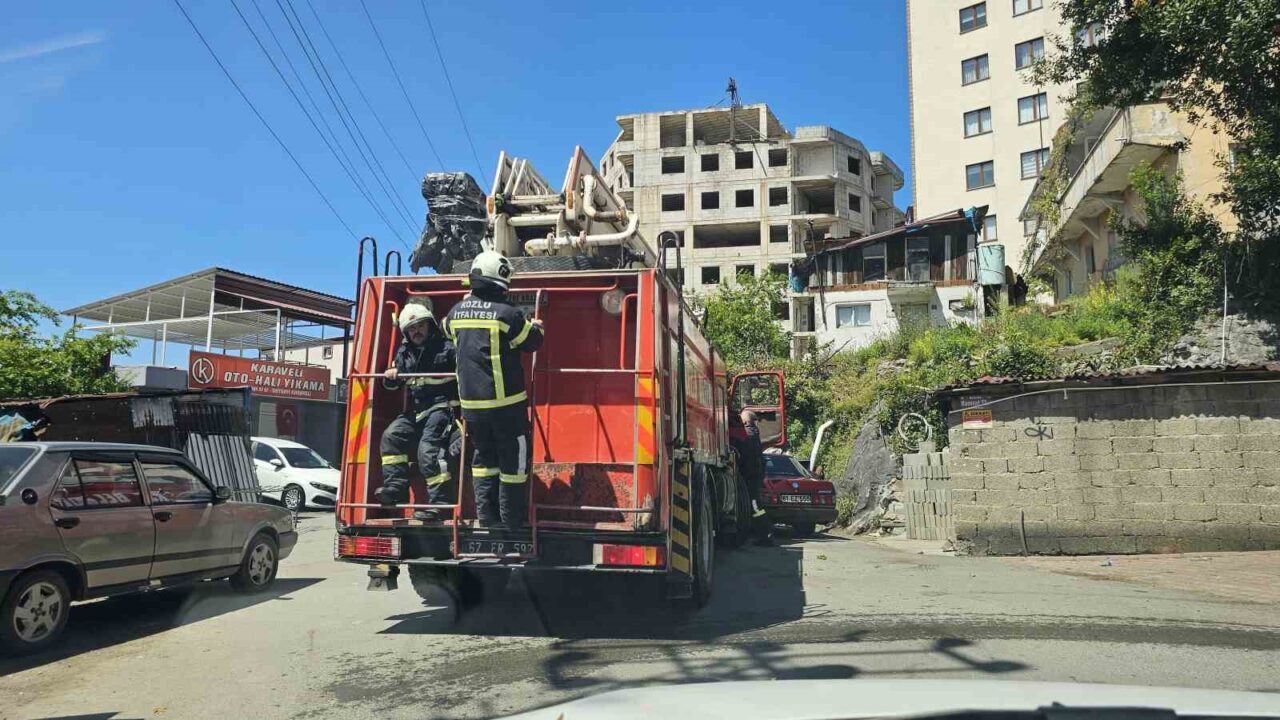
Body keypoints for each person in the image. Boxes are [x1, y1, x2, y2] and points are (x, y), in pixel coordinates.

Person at [443, 250, 544, 531]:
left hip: (472, 408)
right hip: (506, 406)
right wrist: (535, 326)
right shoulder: (507, 313)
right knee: (514, 461)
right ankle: (511, 521)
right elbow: (532, 342)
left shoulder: (455, 312)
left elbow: (446, 330)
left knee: (484, 459)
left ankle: (487, 517)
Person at [376, 302, 459, 521]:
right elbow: (394, 385)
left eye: (421, 325)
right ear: (406, 332)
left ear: (430, 325)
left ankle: (440, 505)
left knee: (428, 451)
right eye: (411, 328)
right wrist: (391, 376)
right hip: (418, 411)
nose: (417, 331)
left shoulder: (448, 348)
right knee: (391, 436)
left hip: (444, 408)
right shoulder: (404, 352)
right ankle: (395, 489)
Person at [731, 409, 774, 546]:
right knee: (754, 505)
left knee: (755, 505)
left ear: (745, 421)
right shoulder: (753, 433)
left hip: (750, 477)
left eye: (741, 419)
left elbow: (738, 444)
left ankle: (765, 535)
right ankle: (763, 534)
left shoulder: (749, 433)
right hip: (752, 476)